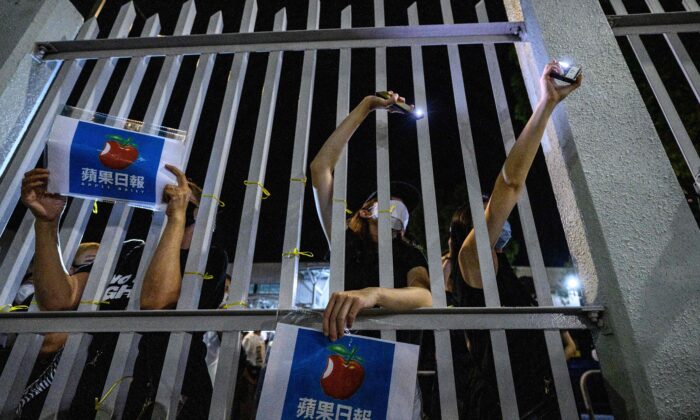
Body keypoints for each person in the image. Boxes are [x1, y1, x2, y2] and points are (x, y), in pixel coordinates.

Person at [18, 165, 227, 419]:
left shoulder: (209, 259)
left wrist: (177, 220)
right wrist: (46, 223)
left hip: (161, 398)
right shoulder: (129, 252)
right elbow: (59, 300)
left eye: (178, 199)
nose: (170, 203)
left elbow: (155, 303)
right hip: (93, 394)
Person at [446, 60, 582, 419]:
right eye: (489, 211)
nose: (498, 215)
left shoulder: (499, 267)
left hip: (533, 399)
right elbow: (510, 184)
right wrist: (546, 103)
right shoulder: (470, 260)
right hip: (503, 406)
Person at [310, 91, 432, 419]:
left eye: (405, 206)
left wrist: (373, 294)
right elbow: (321, 168)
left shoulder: (409, 254)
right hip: (339, 358)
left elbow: (424, 296)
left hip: (394, 369)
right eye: (390, 199)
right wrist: (365, 107)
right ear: (366, 211)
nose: (399, 207)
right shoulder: (346, 241)